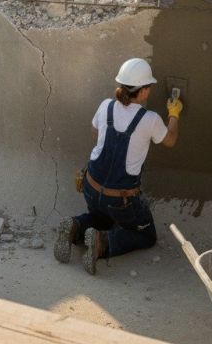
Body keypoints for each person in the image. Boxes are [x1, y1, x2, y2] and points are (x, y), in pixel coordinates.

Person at [54, 57, 182, 275]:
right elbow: (170, 140)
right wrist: (174, 114)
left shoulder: (106, 106)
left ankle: (75, 227)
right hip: (120, 199)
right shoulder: (149, 119)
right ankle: (103, 243)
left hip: (91, 188)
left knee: (103, 217)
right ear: (142, 92)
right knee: (146, 234)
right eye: (149, 87)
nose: (149, 91)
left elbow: (95, 133)